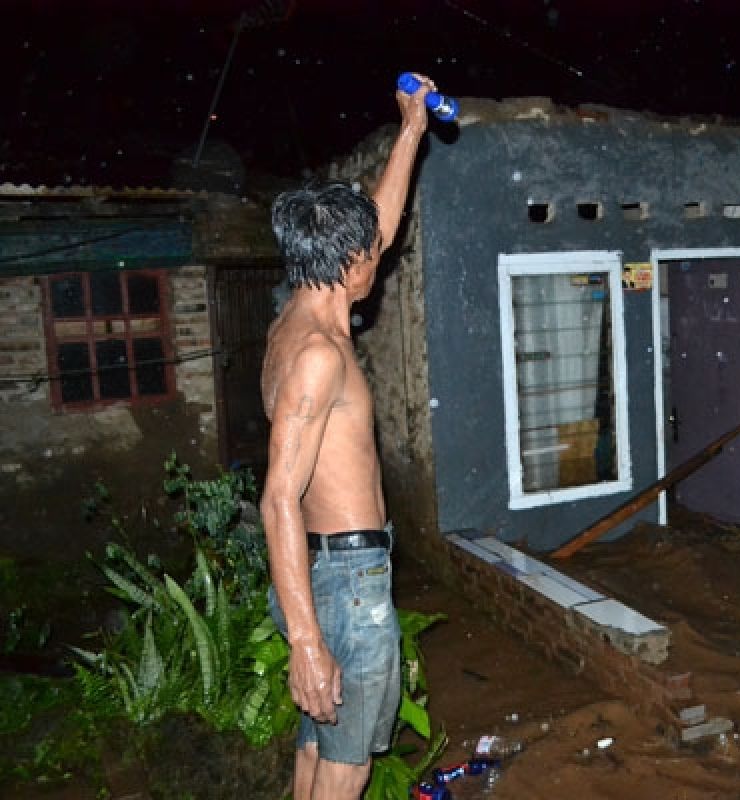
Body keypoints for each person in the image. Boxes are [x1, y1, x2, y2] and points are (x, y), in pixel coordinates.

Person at [259, 73, 434, 800]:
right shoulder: (317, 356)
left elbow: (381, 225)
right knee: (348, 763)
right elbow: (277, 501)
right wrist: (306, 640)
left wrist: (412, 130)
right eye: (368, 253)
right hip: (339, 585)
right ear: (344, 264)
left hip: (326, 578)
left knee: (317, 748)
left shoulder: (298, 319)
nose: (380, 256)